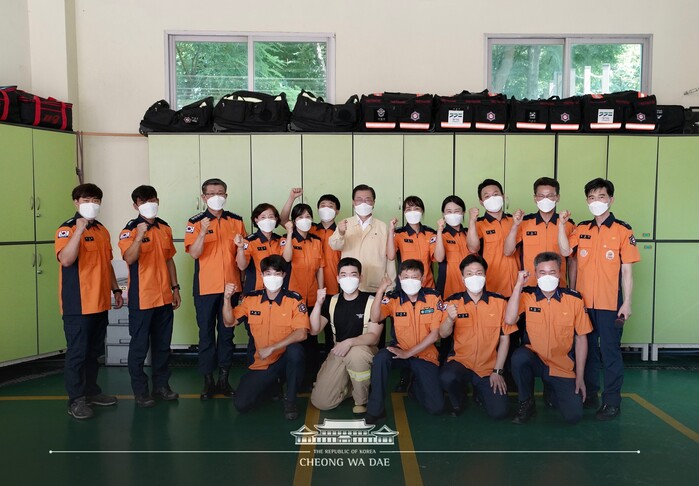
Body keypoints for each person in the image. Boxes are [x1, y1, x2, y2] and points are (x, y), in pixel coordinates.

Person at [558, 178, 641, 421]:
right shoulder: (582, 229)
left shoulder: (623, 231)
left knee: (610, 352)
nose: (596, 202)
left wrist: (627, 302)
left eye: (601, 197)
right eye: (591, 198)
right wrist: (561, 225)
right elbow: (565, 251)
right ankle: (590, 394)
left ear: (611, 199)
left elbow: (627, 271)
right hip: (584, 304)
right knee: (587, 352)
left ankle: (612, 402)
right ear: (587, 201)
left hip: (610, 304)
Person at [55, 183, 123, 419]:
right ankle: (76, 400)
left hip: (100, 302)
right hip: (78, 304)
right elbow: (66, 260)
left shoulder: (103, 230)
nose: (91, 204)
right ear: (76, 202)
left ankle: (92, 392)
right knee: (78, 353)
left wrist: (116, 289)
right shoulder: (66, 229)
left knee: (94, 352)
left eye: (95, 200)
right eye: (86, 200)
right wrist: (78, 231)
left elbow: (107, 263)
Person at [505, 252, 592, 425]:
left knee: (573, 416)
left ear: (559, 274)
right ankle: (526, 402)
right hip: (535, 359)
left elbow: (582, 339)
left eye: (552, 272)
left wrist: (580, 377)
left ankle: (551, 389)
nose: (547, 277)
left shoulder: (574, 299)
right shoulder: (527, 296)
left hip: (561, 365)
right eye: (542, 272)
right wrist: (518, 286)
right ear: (536, 274)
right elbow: (509, 319)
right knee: (519, 358)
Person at [222, 255, 309, 420]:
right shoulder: (251, 299)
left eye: (277, 273)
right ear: (261, 275)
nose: (272, 278)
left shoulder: (294, 300)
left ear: (284, 275)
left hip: (284, 359)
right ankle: (273, 385)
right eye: (268, 273)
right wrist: (227, 299)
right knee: (241, 404)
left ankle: (290, 400)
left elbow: (302, 333)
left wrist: (273, 348)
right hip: (262, 363)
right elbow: (229, 321)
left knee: (296, 351)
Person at [118, 185, 181, 408]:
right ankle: (141, 391)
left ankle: (161, 386)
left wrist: (175, 288)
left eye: (152, 200)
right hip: (142, 298)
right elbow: (129, 258)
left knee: (162, 346)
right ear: (135, 206)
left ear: (158, 201)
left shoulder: (165, 228)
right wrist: (139, 237)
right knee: (139, 347)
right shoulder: (129, 230)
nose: (149, 204)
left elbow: (169, 259)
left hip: (164, 297)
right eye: (143, 202)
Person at [185, 178, 246, 400]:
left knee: (227, 334)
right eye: (211, 193)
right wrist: (202, 232)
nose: (216, 197)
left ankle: (224, 379)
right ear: (204, 197)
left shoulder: (236, 221)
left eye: (220, 193)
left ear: (226, 196)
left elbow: (243, 256)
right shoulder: (195, 222)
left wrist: (242, 287)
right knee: (206, 334)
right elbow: (194, 253)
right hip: (206, 287)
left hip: (231, 287)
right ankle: (208, 381)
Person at [366, 260, 445, 424]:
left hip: (425, 354)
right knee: (381, 359)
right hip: (399, 350)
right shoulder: (393, 298)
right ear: (400, 279)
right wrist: (380, 291)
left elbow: (435, 335)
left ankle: (414, 386)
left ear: (422, 279)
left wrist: (408, 353)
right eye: (406, 277)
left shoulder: (433, 297)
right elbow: (375, 317)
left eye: (414, 277)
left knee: (436, 408)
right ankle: (375, 410)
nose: (410, 280)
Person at [439, 254, 515, 419]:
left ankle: (480, 392)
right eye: (469, 274)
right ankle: (458, 401)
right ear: (462, 278)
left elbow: (505, 338)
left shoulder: (500, 302)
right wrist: (450, 319)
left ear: (485, 276)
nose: (474, 277)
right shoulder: (452, 302)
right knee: (447, 377)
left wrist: (498, 371)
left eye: (479, 273)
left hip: (488, 367)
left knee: (499, 412)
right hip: (461, 362)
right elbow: (443, 333)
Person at [309, 258, 381, 414]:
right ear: (338, 278)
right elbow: (314, 330)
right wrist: (318, 303)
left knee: (356, 354)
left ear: (360, 278)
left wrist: (349, 342)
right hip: (339, 350)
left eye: (353, 274)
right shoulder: (332, 301)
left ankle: (361, 400)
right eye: (344, 275)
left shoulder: (372, 301)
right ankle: (350, 386)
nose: (348, 279)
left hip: (364, 349)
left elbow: (374, 337)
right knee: (322, 402)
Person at [504, 177, 576, 287]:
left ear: (557, 197)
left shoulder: (568, 224)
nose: (545, 199)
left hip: (558, 286)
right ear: (535, 198)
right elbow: (508, 251)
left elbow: (572, 260)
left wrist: (572, 288)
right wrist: (515, 225)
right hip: (530, 286)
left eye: (550, 196)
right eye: (541, 196)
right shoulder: (525, 222)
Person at [235, 203, 285, 365]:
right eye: (263, 217)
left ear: (276, 219)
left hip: (279, 296)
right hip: (256, 294)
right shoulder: (250, 241)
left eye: (271, 216)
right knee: (255, 336)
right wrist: (240, 248)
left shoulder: (281, 240)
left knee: (278, 334)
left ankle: (275, 372)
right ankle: (254, 370)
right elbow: (242, 266)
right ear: (256, 220)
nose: (267, 220)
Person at [282, 203, 325, 388]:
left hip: (313, 297)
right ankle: (294, 379)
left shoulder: (316, 241)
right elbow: (286, 258)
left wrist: (321, 292)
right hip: (294, 299)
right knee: (296, 339)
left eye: (308, 216)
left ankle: (311, 377)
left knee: (312, 338)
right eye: (300, 217)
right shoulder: (287, 240)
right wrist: (289, 233)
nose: (305, 220)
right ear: (294, 221)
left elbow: (320, 268)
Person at [328, 184, 396, 293]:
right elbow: (334, 246)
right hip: (350, 285)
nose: (363, 203)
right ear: (353, 202)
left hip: (376, 285)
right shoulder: (345, 224)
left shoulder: (382, 227)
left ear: (374, 202)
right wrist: (340, 233)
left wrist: (390, 286)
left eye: (367, 199)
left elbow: (390, 258)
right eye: (359, 199)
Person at [280, 188, 342, 296]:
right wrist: (291, 198)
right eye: (323, 206)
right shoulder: (308, 229)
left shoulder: (341, 233)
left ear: (337, 211)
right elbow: (283, 220)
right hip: (310, 287)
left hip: (334, 286)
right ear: (318, 210)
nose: (326, 209)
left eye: (330, 206)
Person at [467, 179, 520, 297]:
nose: (492, 198)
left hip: (517, 285)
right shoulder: (478, 224)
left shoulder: (514, 221)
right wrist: (471, 221)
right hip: (492, 285)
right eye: (487, 196)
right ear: (481, 202)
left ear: (503, 196)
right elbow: (473, 248)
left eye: (496, 194)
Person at [387, 195, 437, 289]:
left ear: (422, 211)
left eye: (416, 209)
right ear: (404, 213)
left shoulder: (430, 233)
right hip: (405, 285)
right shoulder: (398, 233)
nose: (412, 212)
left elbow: (437, 257)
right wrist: (391, 231)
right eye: (408, 209)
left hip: (427, 285)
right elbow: (390, 256)